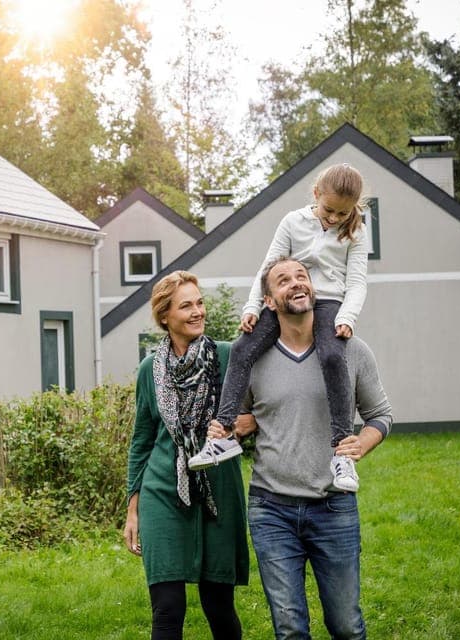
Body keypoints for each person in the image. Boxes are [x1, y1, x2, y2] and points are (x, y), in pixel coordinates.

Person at [209, 256, 391, 640]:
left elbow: (380, 415)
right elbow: (239, 419)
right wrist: (231, 429)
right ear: (270, 301)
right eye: (282, 280)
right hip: (270, 509)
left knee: (346, 625)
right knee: (290, 629)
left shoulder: (351, 350)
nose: (295, 283)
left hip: (333, 506)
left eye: (301, 276)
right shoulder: (252, 361)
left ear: (313, 288)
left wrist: (362, 443)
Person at [189, 164, 370, 493]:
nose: (333, 219)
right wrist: (252, 307)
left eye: (342, 213)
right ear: (316, 194)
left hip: (328, 302)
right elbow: (268, 268)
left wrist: (347, 317)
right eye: (329, 210)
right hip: (285, 299)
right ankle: (224, 434)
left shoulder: (356, 231)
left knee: (332, 357)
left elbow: (357, 283)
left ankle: (342, 454)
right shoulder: (293, 222)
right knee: (244, 347)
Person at [123, 270, 250, 640]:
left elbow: (266, 409)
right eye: (186, 306)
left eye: (199, 302)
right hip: (163, 490)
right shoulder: (150, 370)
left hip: (218, 488)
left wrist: (240, 425)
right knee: (167, 609)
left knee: (218, 605)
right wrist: (133, 509)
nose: (198, 312)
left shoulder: (227, 357)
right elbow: (142, 441)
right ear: (165, 316)